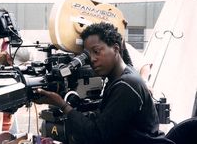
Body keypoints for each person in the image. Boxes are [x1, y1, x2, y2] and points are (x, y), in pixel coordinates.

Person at [35, 22, 174, 144]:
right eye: (89, 55)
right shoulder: (121, 76)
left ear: (115, 49)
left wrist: (62, 104)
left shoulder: (126, 85)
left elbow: (97, 137)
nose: (93, 59)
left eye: (96, 51)